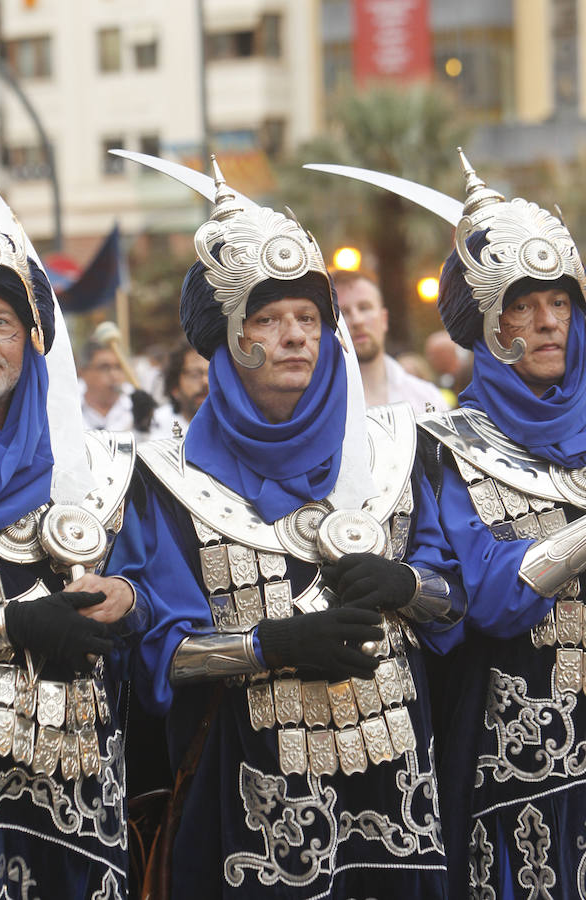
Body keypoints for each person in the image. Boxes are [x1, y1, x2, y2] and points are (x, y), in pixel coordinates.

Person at [110, 158, 465, 899]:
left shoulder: (399, 450)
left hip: (397, 781)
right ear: (227, 340)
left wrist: (408, 583)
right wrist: (269, 645)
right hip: (247, 797)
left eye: (309, 318)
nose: (295, 337)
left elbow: (454, 599)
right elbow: (161, 652)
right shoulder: (167, 481)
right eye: (267, 320)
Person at [418, 152, 586, 898]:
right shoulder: (445, 447)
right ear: (486, 325)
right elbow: (488, 596)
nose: (547, 322)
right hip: (520, 756)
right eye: (522, 305)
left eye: (559, 301)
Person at [0, 198, 137, 897]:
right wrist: (12, 625)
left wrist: (127, 597)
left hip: (78, 778)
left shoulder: (99, 468)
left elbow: (161, 591)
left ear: (32, 337)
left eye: (1, 323)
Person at [331, 267, 448, 413]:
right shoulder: (322, 405)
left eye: (364, 307)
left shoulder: (427, 397)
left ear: (384, 319)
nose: (357, 320)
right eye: (343, 313)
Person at [150, 338, 209, 438]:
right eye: (194, 374)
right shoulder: (156, 428)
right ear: (174, 387)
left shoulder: (235, 428)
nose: (205, 382)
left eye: (212, 373)